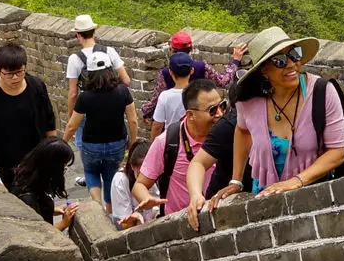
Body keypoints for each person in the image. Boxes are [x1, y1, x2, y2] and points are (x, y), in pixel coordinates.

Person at [187, 27, 344, 223]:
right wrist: (236, 180)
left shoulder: (322, 93)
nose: (291, 65)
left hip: (312, 200)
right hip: (264, 202)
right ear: (263, 69)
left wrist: (295, 182)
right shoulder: (249, 102)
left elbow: (338, 151)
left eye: (294, 55)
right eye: (279, 61)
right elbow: (242, 131)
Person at [0, 43, 61, 190]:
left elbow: (49, 121)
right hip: (2, 164)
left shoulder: (37, 87)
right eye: (9, 74)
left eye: (20, 72)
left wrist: (52, 154)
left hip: (35, 159)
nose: (15, 78)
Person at [137, 78, 226, 222]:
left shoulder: (226, 134)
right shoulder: (167, 142)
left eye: (222, 106)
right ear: (191, 115)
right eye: (212, 110)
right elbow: (140, 184)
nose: (220, 114)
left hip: (221, 219)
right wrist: (147, 199)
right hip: (179, 223)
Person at [63, 52, 140, 211]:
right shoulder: (122, 91)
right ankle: (110, 210)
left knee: (91, 172)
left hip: (91, 144)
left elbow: (72, 125)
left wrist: (62, 143)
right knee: (111, 175)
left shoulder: (85, 97)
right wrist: (133, 142)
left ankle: (97, 207)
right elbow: (133, 120)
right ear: (111, 70)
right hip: (117, 142)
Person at [63, 14, 123, 108]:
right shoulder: (109, 51)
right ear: (94, 31)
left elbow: (73, 94)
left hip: (88, 107)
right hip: (111, 106)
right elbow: (126, 80)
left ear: (78, 35)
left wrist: (71, 118)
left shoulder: (74, 58)